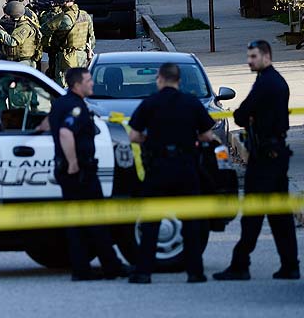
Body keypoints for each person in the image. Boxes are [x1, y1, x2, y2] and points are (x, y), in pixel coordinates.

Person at [213, 40, 300, 281]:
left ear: (266, 56)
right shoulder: (275, 81)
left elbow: (241, 114)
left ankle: (240, 265)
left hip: (264, 161)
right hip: (275, 156)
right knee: (280, 217)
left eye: (253, 56)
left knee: (253, 216)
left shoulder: (266, 84)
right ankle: (290, 265)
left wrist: (249, 117)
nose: (249, 61)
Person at [126, 63, 215, 284]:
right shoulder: (191, 102)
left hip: (158, 168)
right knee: (191, 223)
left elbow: (134, 136)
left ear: (160, 79)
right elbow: (206, 136)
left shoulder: (150, 103)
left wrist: (151, 141)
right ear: (179, 80)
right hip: (186, 167)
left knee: (151, 223)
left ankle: (143, 272)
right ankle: (195, 273)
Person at [49, 67, 130, 281]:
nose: (92, 83)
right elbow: (66, 133)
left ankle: (83, 269)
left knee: (77, 224)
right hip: (81, 173)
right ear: (77, 84)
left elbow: (48, 123)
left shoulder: (60, 103)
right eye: (88, 80)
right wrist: (73, 162)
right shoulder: (75, 107)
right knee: (96, 221)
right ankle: (110, 266)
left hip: (68, 174)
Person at [42, 0, 95, 87]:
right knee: (81, 83)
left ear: (64, 3)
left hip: (67, 57)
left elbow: (45, 30)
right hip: (83, 55)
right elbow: (91, 38)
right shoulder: (85, 15)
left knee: (63, 84)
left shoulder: (64, 18)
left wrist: (48, 16)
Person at [4, 0, 43, 70]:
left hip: (22, 55)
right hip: (30, 54)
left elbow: (12, 39)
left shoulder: (17, 14)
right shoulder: (29, 13)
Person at [0, 1, 40, 68]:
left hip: (25, 62)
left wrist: (0, 31)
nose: (6, 17)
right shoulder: (18, 24)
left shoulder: (25, 27)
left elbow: (12, 42)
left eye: (8, 15)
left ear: (14, 16)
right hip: (18, 62)